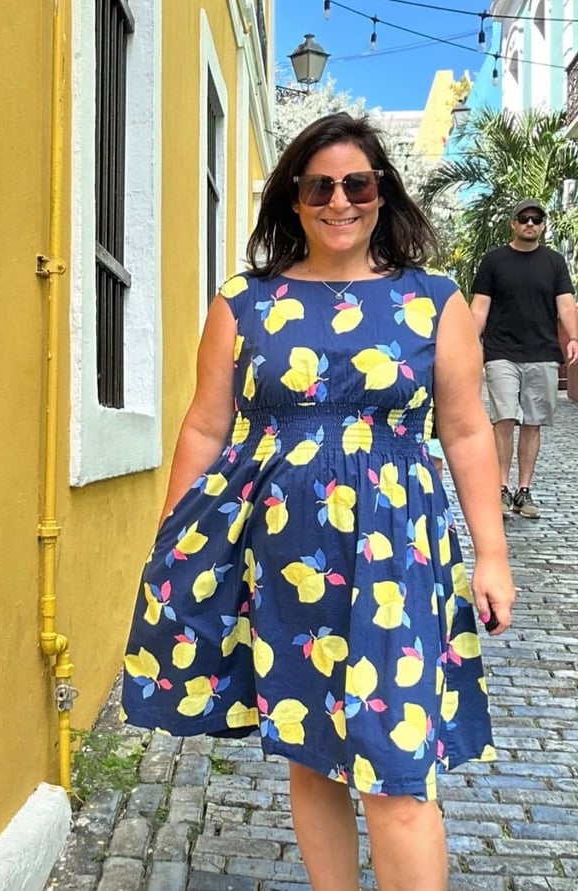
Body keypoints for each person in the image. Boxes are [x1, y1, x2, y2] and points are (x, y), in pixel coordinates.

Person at [121, 113, 515, 891]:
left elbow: (468, 431)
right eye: (320, 187)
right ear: (293, 199)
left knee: (398, 769)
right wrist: (174, 539)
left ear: (382, 193)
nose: (340, 201)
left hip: (398, 556)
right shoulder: (244, 301)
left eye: (357, 184)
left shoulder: (432, 301)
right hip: (285, 556)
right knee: (313, 754)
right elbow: (206, 425)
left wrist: (493, 556)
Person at [470, 199, 578, 519]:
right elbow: (479, 308)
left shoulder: (554, 262)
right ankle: (501, 488)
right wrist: (468, 343)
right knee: (504, 418)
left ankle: (523, 490)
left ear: (543, 225)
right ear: (513, 223)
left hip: (542, 352)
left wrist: (574, 337)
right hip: (501, 352)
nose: (530, 223)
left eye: (536, 218)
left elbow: (566, 305)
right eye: (524, 218)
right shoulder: (493, 261)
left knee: (532, 422)